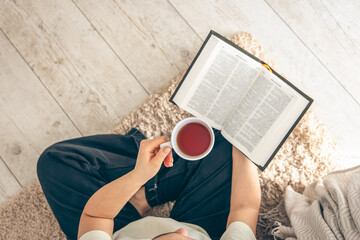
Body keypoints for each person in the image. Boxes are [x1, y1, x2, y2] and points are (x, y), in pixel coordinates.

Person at [37, 128, 261, 240]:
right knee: (223, 142)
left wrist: (139, 175)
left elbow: (97, 216)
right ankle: (149, 190)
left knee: (56, 162)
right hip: (205, 225)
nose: (181, 230)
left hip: (117, 226)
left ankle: (141, 193)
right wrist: (245, 143)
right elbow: (245, 207)